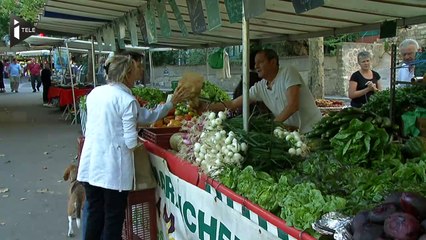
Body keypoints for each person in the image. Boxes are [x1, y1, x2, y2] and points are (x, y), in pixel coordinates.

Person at [77, 51, 189, 240]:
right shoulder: (126, 100)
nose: (139, 73)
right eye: (136, 70)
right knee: (113, 218)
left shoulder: (95, 93)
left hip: (90, 165)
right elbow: (130, 141)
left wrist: (169, 105)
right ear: (126, 74)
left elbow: (142, 116)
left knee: (95, 213)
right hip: (113, 171)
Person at [202, 49, 322, 133]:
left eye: (260, 62)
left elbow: (293, 106)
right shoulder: (260, 87)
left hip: (313, 129)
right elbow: (233, 104)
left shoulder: (288, 72)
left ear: (273, 62)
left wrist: (271, 126)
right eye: (255, 63)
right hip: (293, 132)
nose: (256, 66)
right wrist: (208, 107)